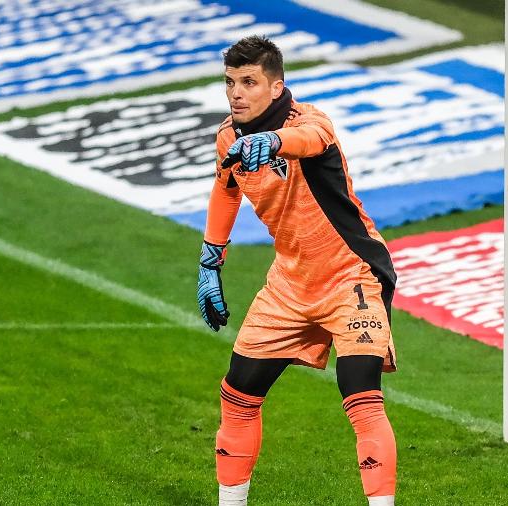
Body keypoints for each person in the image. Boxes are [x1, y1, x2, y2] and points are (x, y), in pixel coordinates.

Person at [197, 35, 398, 506]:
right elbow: (226, 188)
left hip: (352, 276)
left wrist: (273, 142)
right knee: (238, 392)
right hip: (289, 282)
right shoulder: (229, 136)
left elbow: (308, 141)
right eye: (230, 82)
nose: (236, 93)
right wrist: (211, 260)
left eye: (248, 82)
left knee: (361, 396)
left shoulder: (309, 122)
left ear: (276, 86)